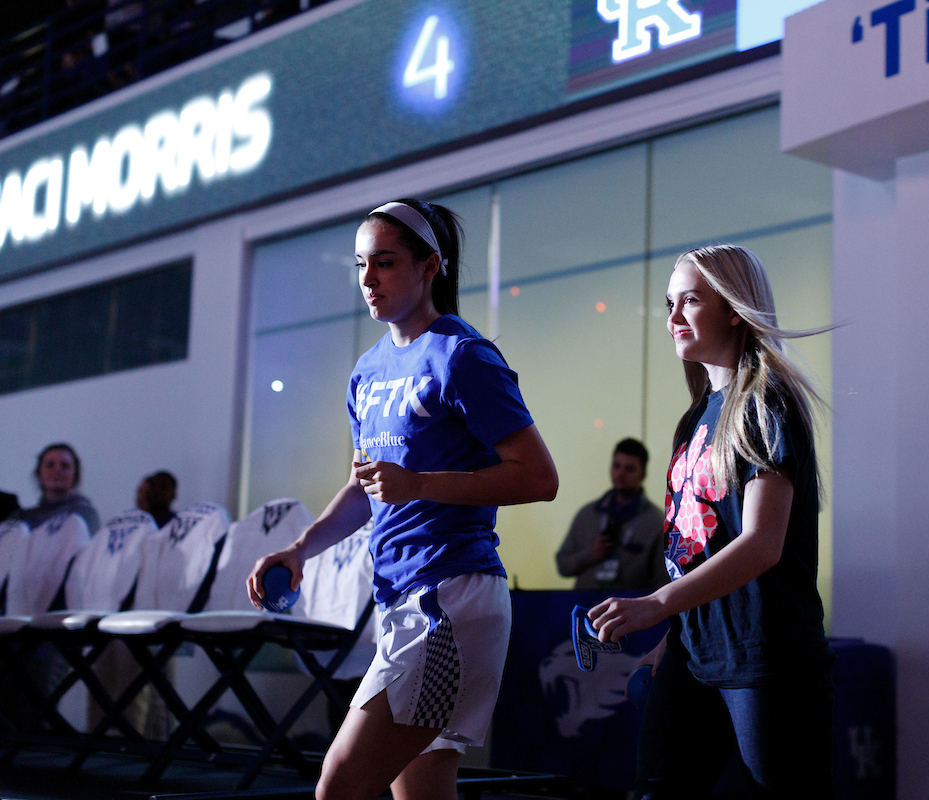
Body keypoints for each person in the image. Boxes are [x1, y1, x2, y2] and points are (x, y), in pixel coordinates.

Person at [246, 198, 558, 800]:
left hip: (451, 602)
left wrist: (420, 483)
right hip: (401, 602)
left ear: (429, 266)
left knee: (339, 787)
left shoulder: (463, 356)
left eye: (385, 263)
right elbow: (369, 486)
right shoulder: (368, 370)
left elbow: (538, 478)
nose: (369, 279)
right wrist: (300, 547)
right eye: (362, 265)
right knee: (420, 793)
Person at [588, 245, 834, 799]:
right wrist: (673, 635)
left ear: (733, 310)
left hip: (765, 657)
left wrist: (656, 605)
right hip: (693, 654)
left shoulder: (767, 403)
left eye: (690, 301)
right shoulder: (694, 418)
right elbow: (693, 549)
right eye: (670, 303)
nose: (672, 318)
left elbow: (761, 545)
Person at [555, 438, 667, 590]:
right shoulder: (587, 515)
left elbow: (663, 582)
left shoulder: (656, 522)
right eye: (616, 466)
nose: (620, 474)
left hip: (630, 610)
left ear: (643, 474)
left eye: (629, 469)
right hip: (586, 606)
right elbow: (563, 565)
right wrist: (591, 554)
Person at [20, 443, 101, 534]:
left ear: (75, 475)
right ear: (39, 474)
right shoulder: (21, 519)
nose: (57, 470)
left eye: (65, 466)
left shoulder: (84, 514)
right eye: (50, 465)